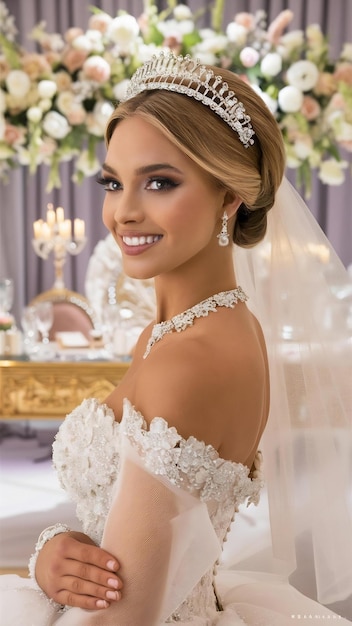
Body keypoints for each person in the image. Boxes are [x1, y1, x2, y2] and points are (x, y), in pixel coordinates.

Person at [0, 52, 351, 625]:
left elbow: (124, 614)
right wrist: (54, 555)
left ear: (230, 195)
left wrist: (41, 563)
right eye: (113, 182)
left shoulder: (191, 357)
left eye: (160, 182)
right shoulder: (191, 330)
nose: (123, 213)